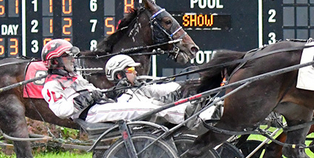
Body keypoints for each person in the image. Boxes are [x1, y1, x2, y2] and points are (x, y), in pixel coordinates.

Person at [41, 39, 203, 126]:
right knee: (144, 108)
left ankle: (188, 112)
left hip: (99, 106)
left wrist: (112, 92)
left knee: (149, 103)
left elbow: (95, 93)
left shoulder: (75, 77)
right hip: (89, 114)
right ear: (55, 62)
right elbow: (61, 111)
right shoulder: (50, 85)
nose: (72, 59)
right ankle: (186, 115)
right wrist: (86, 98)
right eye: (67, 56)